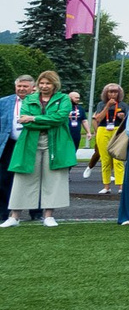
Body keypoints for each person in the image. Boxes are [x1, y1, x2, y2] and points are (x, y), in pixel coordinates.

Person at [3, 70, 74, 227]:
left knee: (53, 178)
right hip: (30, 142)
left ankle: (48, 216)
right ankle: (14, 216)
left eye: (48, 83)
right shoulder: (30, 99)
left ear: (55, 84)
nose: (44, 86)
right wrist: (40, 121)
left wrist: (34, 118)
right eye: (41, 83)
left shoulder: (63, 99)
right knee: (23, 177)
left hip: (55, 142)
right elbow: (25, 121)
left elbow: (59, 118)